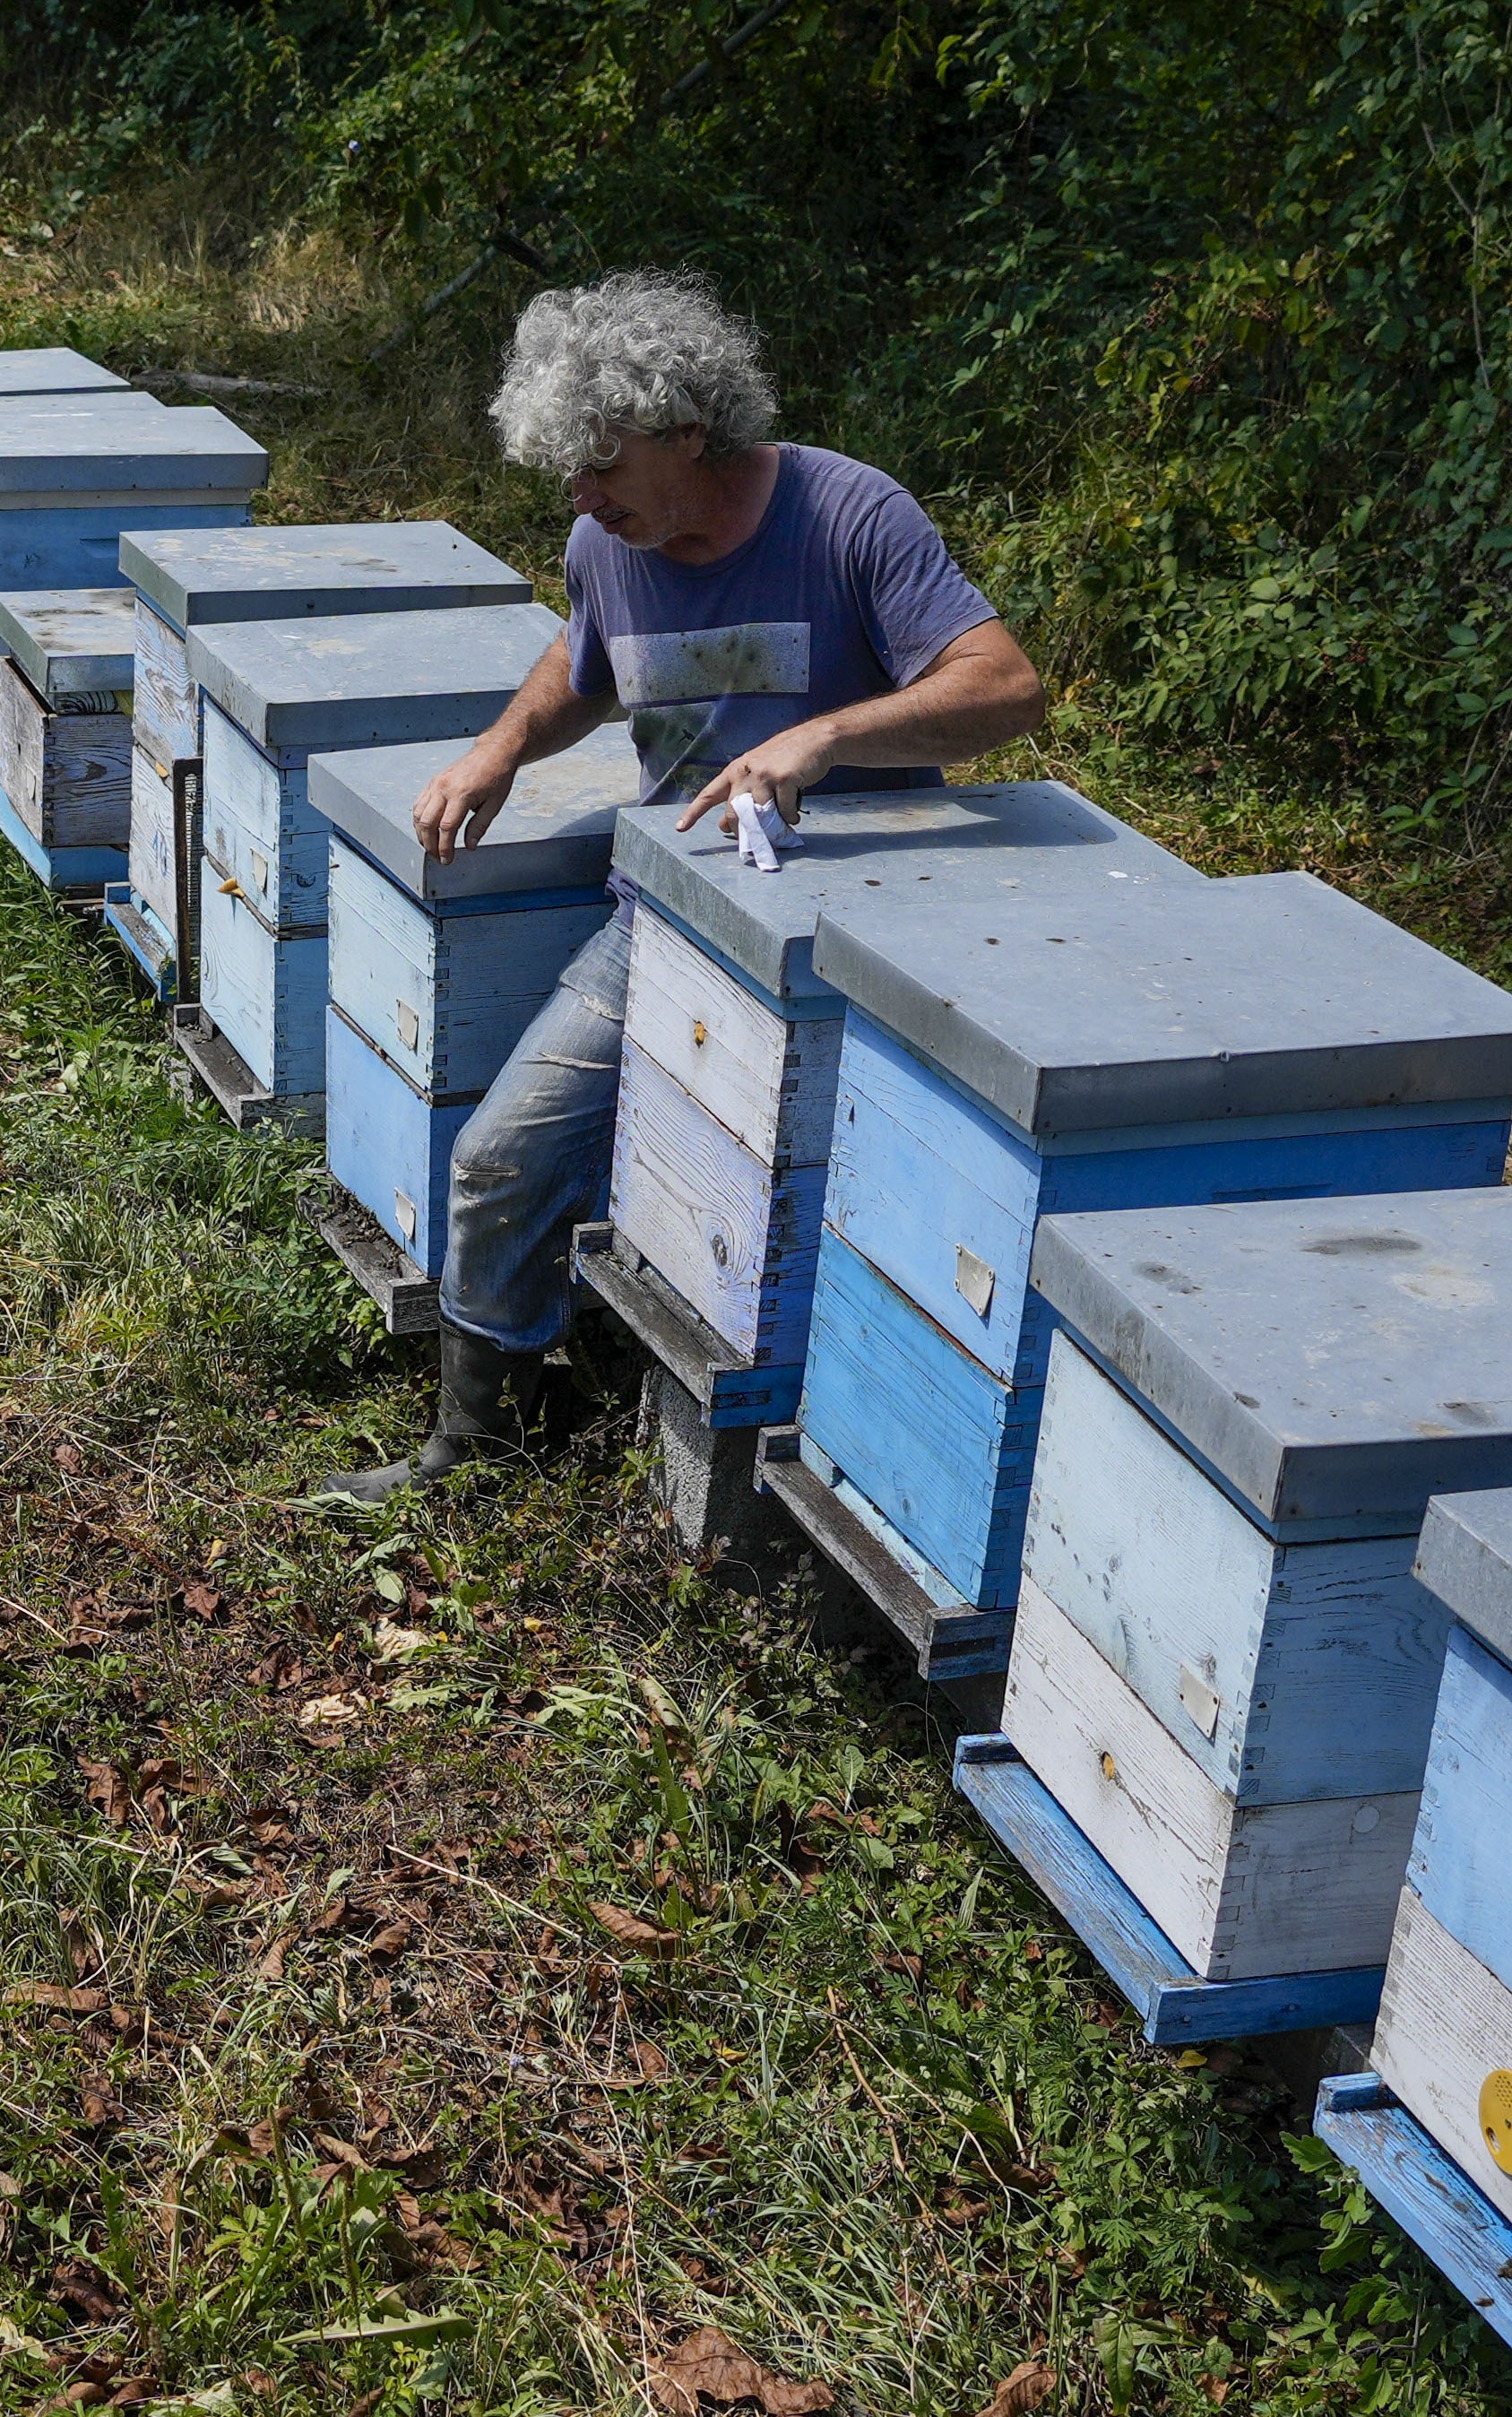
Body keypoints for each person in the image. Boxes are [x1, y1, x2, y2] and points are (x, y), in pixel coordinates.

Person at [319, 270, 1049, 1508]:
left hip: (861, 947)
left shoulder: (847, 512)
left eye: (601, 465)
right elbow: (585, 660)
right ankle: (477, 1446)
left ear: (689, 433)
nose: (582, 496)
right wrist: (500, 745)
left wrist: (825, 738)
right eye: (565, 472)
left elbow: (1007, 687)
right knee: (498, 1156)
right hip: (667, 916)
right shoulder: (606, 544)